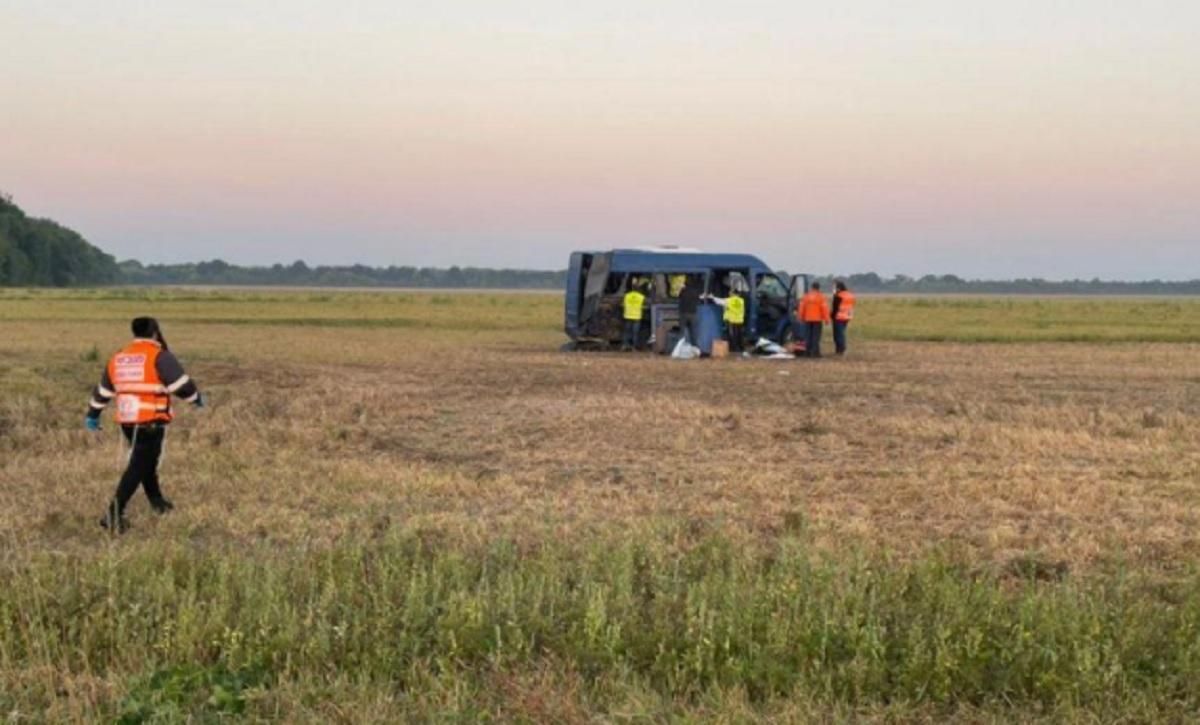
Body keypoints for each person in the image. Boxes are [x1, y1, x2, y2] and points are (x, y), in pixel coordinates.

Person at [86, 317, 204, 532]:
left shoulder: (119, 358)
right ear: (155, 332)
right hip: (151, 420)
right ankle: (113, 514)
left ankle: (158, 502)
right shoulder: (159, 356)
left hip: (128, 422)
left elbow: (103, 391)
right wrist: (195, 398)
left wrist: (93, 414)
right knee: (139, 466)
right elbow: (181, 385)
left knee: (146, 462)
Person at [705, 286, 747, 352]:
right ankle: (741, 348)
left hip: (731, 320)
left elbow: (719, 301)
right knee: (739, 335)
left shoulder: (729, 300)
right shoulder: (741, 300)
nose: (729, 293)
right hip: (739, 320)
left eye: (730, 292)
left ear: (732, 293)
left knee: (732, 335)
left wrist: (712, 297)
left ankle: (734, 349)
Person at [797, 282, 830, 358]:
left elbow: (801, 308)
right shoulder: (821, 297)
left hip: (807, 319)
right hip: (817, 320)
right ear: (819, 288)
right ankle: (815, 353)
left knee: (808, 336)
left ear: (812, 287)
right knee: (816, 337)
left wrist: (800, 317)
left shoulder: (806, 296)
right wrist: (827, 320)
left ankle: (807, 352)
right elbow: (824, 309)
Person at [830, 280, 856, 356]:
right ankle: (840, 349)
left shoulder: (838, 296)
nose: (833, 289)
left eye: (834, 287)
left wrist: (831, 316)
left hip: (839, 317)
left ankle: (841, 349)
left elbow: (835, 308)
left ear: (838, 288)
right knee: (841, 333)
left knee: (838, 334)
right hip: (847, 316)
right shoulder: (850, 295)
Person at [621, 280, 647, 351]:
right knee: (635, 332)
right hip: (637, 316)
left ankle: (624, 345)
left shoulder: (627, 296)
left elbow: (623, 305)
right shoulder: (641, 297)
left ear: (632, 288)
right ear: (639, 289)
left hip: (628, 315)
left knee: (627, 331)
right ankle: (634, 347)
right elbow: (645, 306)